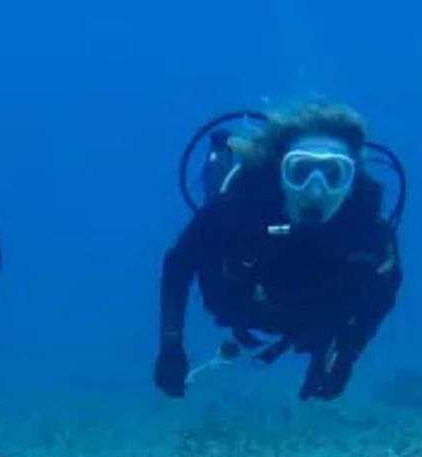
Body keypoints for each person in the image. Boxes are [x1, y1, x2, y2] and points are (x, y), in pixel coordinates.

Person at [156, 102, 403, 402]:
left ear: (351, 181)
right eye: (300, 171)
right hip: (240, 301)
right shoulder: (236, 208)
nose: (316, 190)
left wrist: (346, 354)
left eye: (333, 174)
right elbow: (178, 264)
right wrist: (171, 344)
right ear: (280, 171)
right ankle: (221, 155)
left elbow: (384, 289)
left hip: (309, 317)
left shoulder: (368, 230)